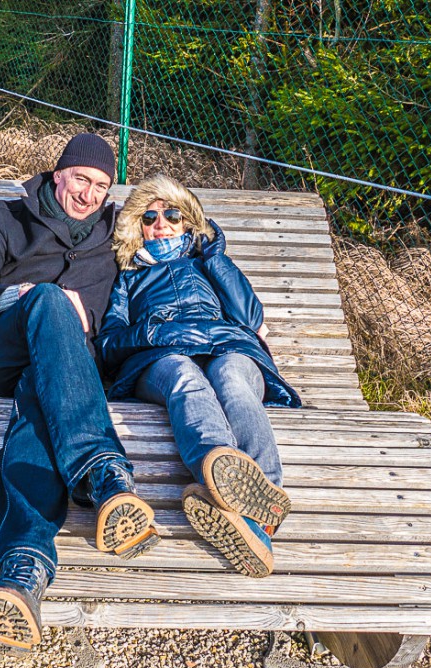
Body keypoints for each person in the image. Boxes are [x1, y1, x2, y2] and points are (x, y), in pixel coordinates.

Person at [0, 134, 159, 653]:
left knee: (41, 398)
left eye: (102, 186)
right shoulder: (7, 219)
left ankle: (21, 574)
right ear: (58, 175)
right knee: (48, 301)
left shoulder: (115, 234)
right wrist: (28, 295)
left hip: (63, 374)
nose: (89, 195)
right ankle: (103, 473)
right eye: (81, 179)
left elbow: (177, 238)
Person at [96, 175, 301, 578]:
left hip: (229, 348)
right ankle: (220, 471)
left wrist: (215, 258)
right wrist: (153, 333)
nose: (161, 223)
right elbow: (108, 346)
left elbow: (249, 318)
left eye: (172, 214)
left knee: (232, 379)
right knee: (184, 375)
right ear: (138, 225)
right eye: (150, 216)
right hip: (161, 358)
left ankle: (263, 499)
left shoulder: (205, 263)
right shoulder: (128, 277)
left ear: (187, 221)